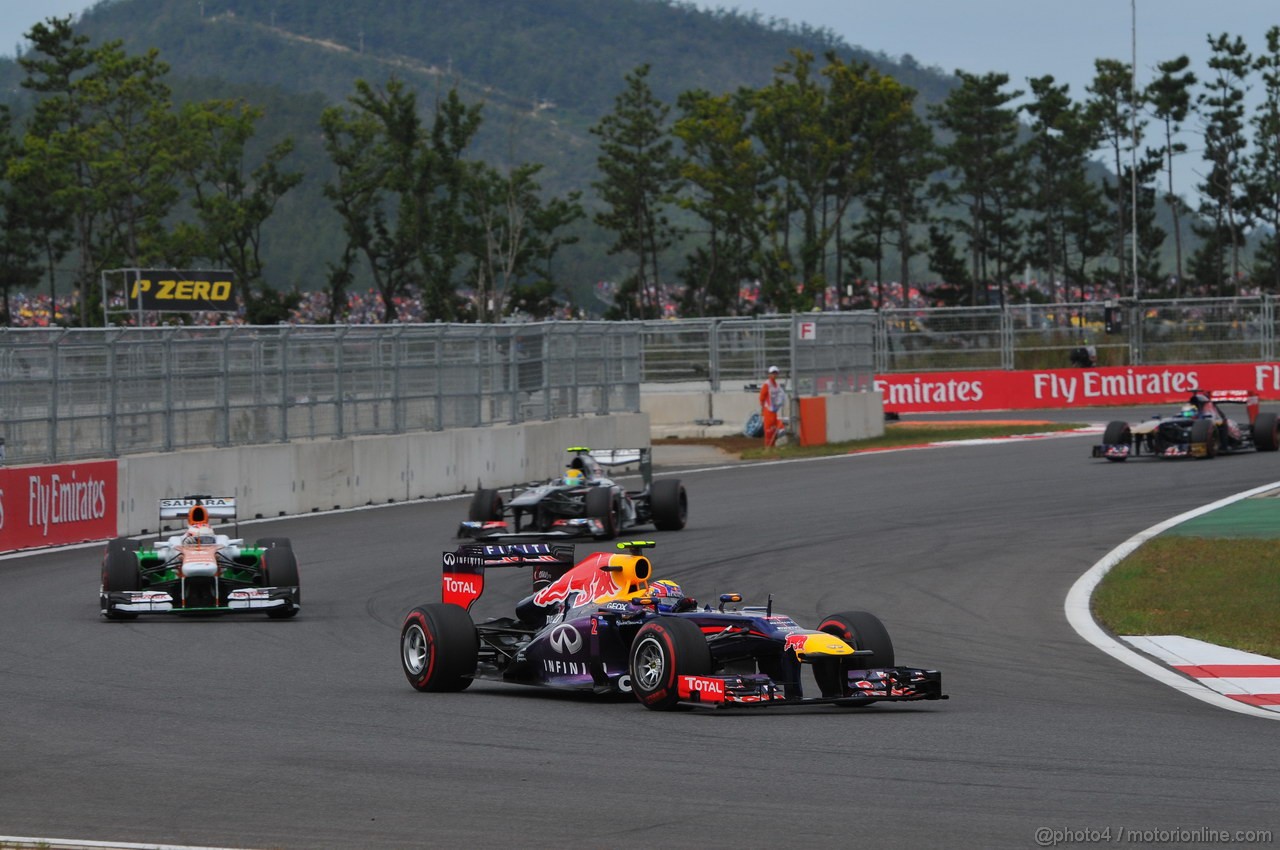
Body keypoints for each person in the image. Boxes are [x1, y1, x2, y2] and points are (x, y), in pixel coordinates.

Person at [758, 365, 787, 447]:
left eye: (776, 373)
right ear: (769, 374)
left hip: (774, 411)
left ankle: (773, 445)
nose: (774, 375)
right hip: (768, 410)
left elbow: (781, 396)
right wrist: (763, 409)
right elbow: (761, 397)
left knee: (773, 428)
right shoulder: (766, 384)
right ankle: (768, 446)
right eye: (772, 373)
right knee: (768, 429)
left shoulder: (777, 385)